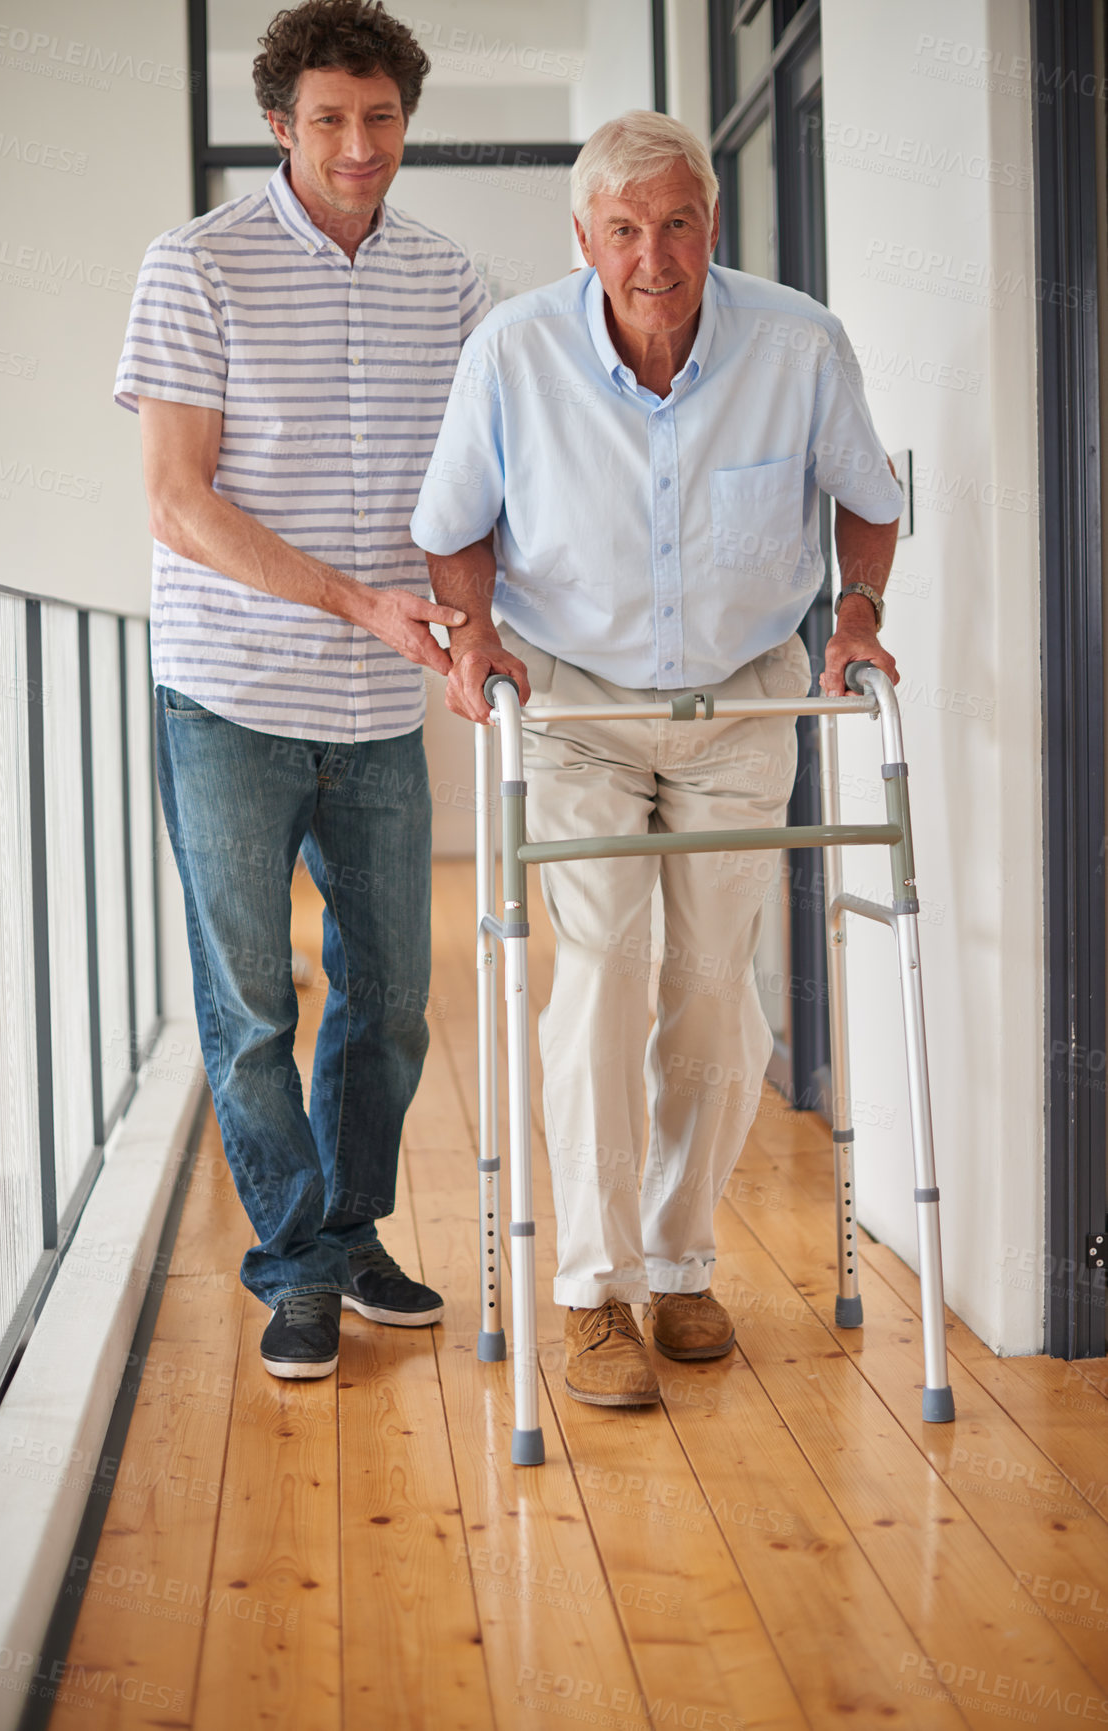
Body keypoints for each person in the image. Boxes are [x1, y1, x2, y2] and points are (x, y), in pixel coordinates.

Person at [410, 110, 903, 1407]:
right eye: (623, 229)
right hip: (575, 700)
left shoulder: (798, 343)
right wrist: (470, 642)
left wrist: (856, 618)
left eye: (677, 222)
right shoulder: (514, 352)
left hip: (744, 701)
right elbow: (453, 528)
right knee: (602, 982)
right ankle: (593, 1291)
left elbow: (866, 496)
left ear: (713, 225)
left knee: (710, 992)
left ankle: (681, 1264)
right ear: (582, 240)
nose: (653, 254)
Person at [115, 0, 490, 1379]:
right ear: (281, 125)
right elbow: (175, 504)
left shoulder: (452, 283)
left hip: (385, 705)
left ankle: (345, 1228)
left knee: (391, 1001)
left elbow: (478, 494)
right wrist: (354, 599)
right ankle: (296, 1266)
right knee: (256, 1001)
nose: (357, 145)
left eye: (381, 119)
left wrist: (476, 625)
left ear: (406, 122)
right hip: (228, 696)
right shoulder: (194, 265)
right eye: (328, 119)